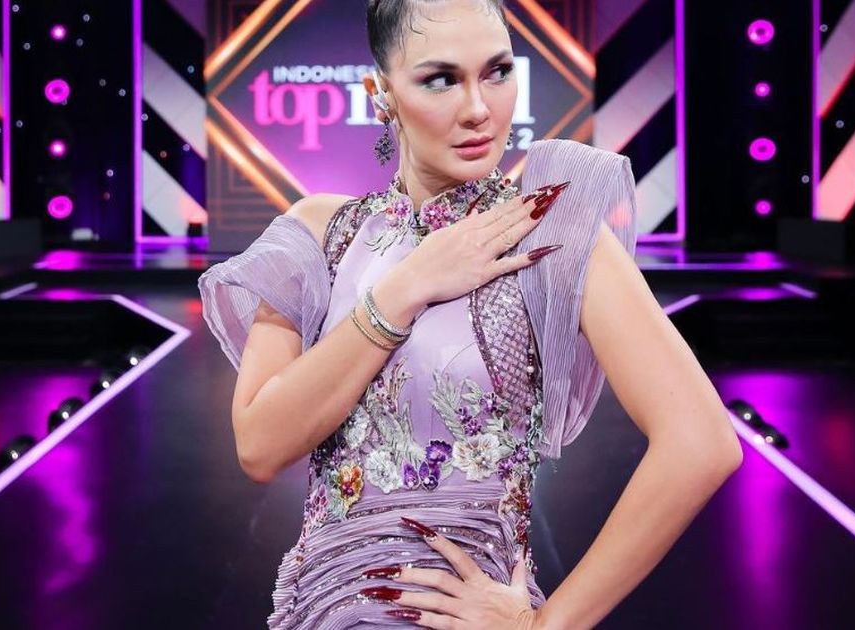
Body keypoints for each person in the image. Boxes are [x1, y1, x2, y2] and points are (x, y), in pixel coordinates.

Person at [198, 1, 743, 627]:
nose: (479, 108)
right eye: (441, 79)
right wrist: (408, 285)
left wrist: (545, 626)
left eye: (498, 72)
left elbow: (701, 442)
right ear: (381, 94)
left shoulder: (547, 235)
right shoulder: (320, 234)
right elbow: (260, 446)